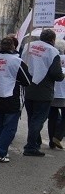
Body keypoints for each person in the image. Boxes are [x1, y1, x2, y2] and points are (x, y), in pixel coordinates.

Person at [21, 28, 65, 157]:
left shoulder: (29, 46)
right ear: (53, 39)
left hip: (28, 86)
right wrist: (62, 75)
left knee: (32, 117)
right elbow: (56, 74)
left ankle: (35, 142)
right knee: (39, 119)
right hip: (44, 89)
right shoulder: (52, 51)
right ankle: (30, 146)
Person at [0, 37, 31, 162]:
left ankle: (1, 150)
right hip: (11, 95)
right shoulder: (16, 61)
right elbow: (27, 81)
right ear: (13, 47)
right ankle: (0, 152)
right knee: (10, 127)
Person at [47, 39, 65, 150]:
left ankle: (51, 141)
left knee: (52, 117)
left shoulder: (54, 57)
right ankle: (57, 136)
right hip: (63, 92)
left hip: (53, 91)